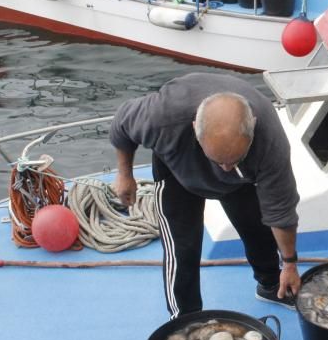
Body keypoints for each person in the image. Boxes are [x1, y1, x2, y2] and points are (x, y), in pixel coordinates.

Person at [110, 73, 300, 319]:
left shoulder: (270, 140)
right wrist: (125, 175)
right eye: (219, 161)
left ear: (252, 125)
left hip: (241, 180)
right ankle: (186, 317)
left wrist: (290, 264)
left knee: (259, 230)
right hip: (178, 171)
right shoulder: (163, 116)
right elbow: (121, 125)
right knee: (183, 249)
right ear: (194, 128)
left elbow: (280, 212)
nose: (225, 169)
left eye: (233, 160)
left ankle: (271, 285)